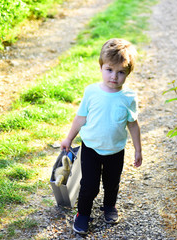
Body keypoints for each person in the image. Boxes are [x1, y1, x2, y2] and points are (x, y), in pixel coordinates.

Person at [60, 38, 142, 235]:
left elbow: (133, 123)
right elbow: (80, 118)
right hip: (91, 148)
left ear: (128, 73)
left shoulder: (128, 97)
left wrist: (138, 149)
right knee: (89, 185)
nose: (114, 76)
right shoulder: (92, 92)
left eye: (120, 72)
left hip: (115, 150)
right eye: (109, 70)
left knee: (112, 183)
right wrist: (68, 138)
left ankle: (109, 206)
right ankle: (83, 213)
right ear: (101, 67)